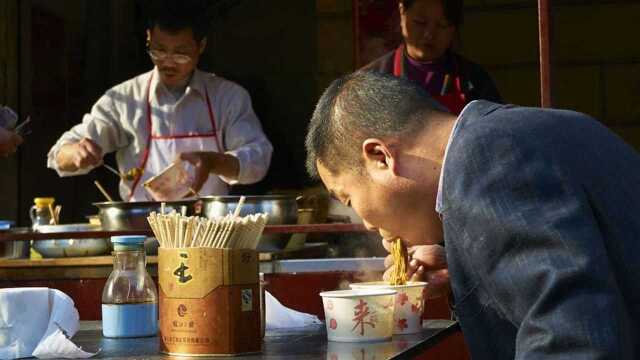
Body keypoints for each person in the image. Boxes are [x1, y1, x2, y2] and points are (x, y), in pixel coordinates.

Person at [306, 71, 640, 359]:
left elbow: (573, 337)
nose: (365, 223)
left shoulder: (484, 157)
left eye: (347, 198)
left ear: (380, 156)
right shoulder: (529, 129)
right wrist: (468, 271)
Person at [47, 1, 272, 201]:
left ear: (201, 46)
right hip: (140, 228)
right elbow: (58, 155)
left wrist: (213, 162)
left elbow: (258, 158)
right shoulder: (124, 99)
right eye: (159, 51)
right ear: (148, 39)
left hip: (209, 228)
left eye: (181, 53)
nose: (168, 63)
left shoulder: (228, 97)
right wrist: (76, 153)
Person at [363, 0, 501, 114]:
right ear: (402, 12)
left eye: (441, 25)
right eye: (420, 23)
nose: (429, 34)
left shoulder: (474, 79)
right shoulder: (371, 80)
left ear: (453, 29)